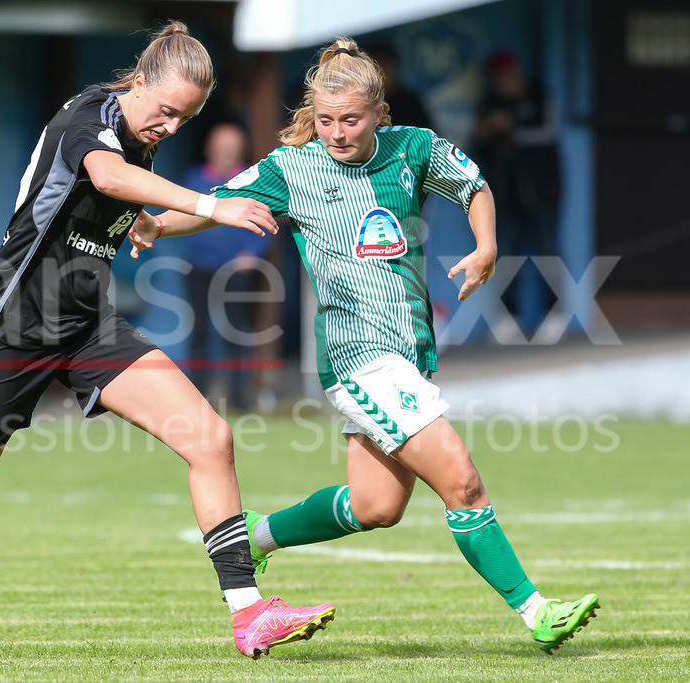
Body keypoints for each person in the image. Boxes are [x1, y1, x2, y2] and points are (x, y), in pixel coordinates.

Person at [0, 22, 334, 660]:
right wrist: (212, 207)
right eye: (165, 110)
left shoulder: (141, 141)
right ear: (137, 82)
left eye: (183, 119)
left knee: (210, 437)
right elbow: (104, 177)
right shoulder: (91, 115)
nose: (169, 127)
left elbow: (111, 195)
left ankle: (248, 613)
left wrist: (153, 222)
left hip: (86, 325)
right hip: (10, 325)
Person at [129, 38, 599, 654]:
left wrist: (485, 247)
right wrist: (160, 222)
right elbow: (222, 206)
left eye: (350, 120)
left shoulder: (415, 148)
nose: (336, 133)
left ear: (379, 112)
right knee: (463, 483)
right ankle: (537, 612)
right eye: (325, 121)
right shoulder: (290, 167)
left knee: (377, 506)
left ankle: (256, 537)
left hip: (411, 353)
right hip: (357, 358)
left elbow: (475, 185)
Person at [179, 123, 273, 411]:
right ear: (210, 149)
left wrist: (252, 253)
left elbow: (268, 221)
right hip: (198, 268)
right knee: (199, 333)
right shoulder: (194, 178)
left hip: (237, 271)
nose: (226, 153)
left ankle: (240, 399)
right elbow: (179, 216)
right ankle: (197, 399)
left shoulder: (251, 180)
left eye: (231, 148)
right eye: (221, 147)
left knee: (237, 333)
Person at [472, 50, 562, 339]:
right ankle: (508, 320)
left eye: (507, 75)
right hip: (504, 196)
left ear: (517, 72)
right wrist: (486, 131)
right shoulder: (489, 104)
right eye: (497, 77)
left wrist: (510, 127)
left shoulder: (538, 95)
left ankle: (555, 316)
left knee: (547, 252)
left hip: (542, 193)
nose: (503, 81)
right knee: (505, 256)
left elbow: (547, 133)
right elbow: (477, 147)